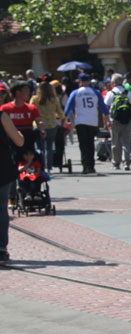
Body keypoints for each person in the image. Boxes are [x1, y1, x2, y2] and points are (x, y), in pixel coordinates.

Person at [64, 73, 110, 174]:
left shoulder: (76, 92)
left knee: (83, 144)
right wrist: (107, 119)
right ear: (89, 81)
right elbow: (103, 107)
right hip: (92, 121)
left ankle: (85, 165)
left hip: (81, 121)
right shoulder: (96, 92)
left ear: (80, 82)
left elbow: (68, 107)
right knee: (90, 144)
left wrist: (65, 119)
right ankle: (91, 165)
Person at [0, 106, 25, 262]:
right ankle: (1, 247)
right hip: (2, 167)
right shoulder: (1, 115)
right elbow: (19, 141)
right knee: (1, 207)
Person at [31, 77, 65, 172]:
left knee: (39, 147)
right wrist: (62, 120)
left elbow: (30, 110)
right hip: (51, 125)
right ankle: (48, 167)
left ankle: (40, 166)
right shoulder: (54, 99)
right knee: (49, 147)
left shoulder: (35, 99)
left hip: (38, 125)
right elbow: (60, 113)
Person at [1, 80, 43, 157]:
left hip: (28, 142)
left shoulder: (32, 108)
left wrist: (42, 129)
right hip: (11, 143)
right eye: (26, 91)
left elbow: (39, 121)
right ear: (17, 92)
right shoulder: (4, 109)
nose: (29, 93)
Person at [103, 74, 131, 171]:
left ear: (113, 83)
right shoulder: (127, 92)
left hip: (115, 120)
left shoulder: (111, 93)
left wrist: (106, 122)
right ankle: (127, 163)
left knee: (115, 142)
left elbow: (105, 109)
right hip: (127, 120)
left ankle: (116, 163)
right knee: (126, 141)